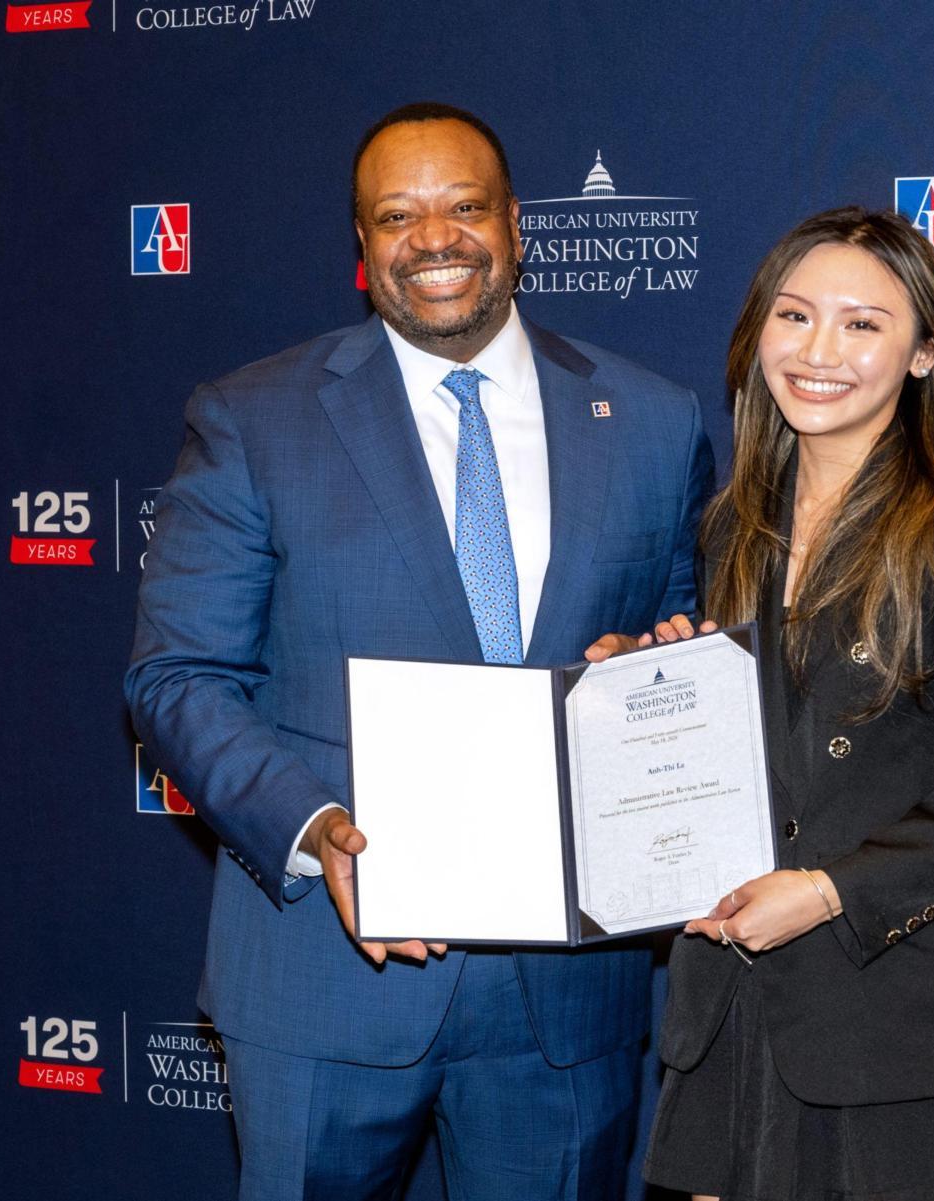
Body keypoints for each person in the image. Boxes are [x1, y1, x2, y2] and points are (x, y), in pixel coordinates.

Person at [124, 102, 713, 1201]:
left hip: (566, 1000)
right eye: (397, 215)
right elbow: (178, 674)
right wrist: (312, 830)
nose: (432, 238)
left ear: (519, 225)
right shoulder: (255, 418)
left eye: (463, 207)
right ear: (361, 248)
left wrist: (652, 665)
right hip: (325, 975)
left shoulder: (651, 419)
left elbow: (674, 645)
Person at [589, 207, 934, 1201]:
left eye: (863, 324)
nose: (819, 351)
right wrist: (646, 687)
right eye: (794, 316)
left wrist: (830, 889)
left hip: (887, 1037)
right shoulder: (728, 531)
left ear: (925, 354)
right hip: (725, 1021)